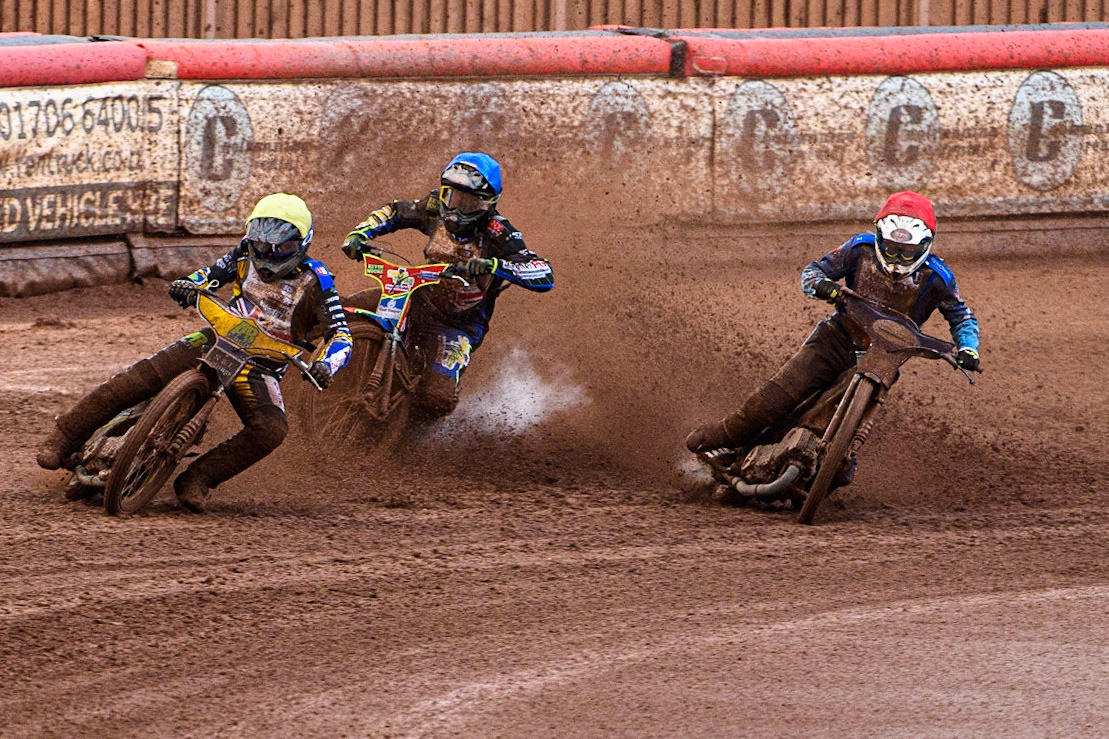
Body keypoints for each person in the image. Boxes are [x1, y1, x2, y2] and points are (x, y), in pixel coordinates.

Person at [36, 193, 352, 512]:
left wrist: (328, 364)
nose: (269, 254)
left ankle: (198, 479)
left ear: (302, 244)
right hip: (216, 337)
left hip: (260, 365)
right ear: (250, 238)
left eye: (281, 247)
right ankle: (65, 436)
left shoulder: (317, 280)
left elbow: (341, 334)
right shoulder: (244, 253)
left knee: (271, 430)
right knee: (140, 377)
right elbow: (211, 274)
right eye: (262, 244)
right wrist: (189, 284)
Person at [686, 190, 980, 454]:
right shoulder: (859, 248)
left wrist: (968, 348)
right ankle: (729, 433)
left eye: (906, 252)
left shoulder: (940, 277)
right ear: (879, 237)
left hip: (883, 359)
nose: (896, 258)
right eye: (890, 248)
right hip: (834, 340)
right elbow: (812, 271)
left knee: (845, 418)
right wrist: (824, 285)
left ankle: (838, 459)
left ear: (925, 246)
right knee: (776, 398)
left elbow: (961, 316)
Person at [340, 152, 554, 416]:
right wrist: (360, 233)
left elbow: (543, 273)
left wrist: (494, 266)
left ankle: (402, 428)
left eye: (470, 202)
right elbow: (395, 212)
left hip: (459, 323)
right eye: (452, 197)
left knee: (436, 398)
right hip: (416, 296)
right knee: (341, 313)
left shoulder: (499, 231)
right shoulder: (432, 207)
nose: (457, 209)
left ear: (489, 204)